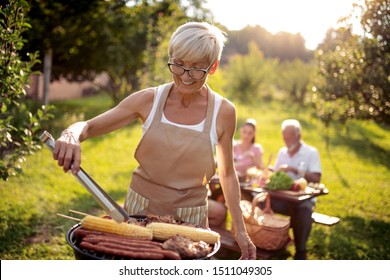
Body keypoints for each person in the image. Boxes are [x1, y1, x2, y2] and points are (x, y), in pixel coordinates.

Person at [52, 22, 256, 260]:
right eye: (178, 64)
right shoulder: (148, 100)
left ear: (213, 68)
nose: (185, 76)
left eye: (196, 68)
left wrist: (240, 230)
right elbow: (88, 127)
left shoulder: (224, 112)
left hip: (190, 220)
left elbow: (228, 174)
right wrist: (70, 134)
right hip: (138, 213)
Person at [273, 119, 322, 260]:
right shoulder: (282, 152)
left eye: (290, 137)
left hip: (303, 199)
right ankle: (271, 243)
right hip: (283, 197)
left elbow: (316, 178)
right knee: (262, 204)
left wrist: (294, 169)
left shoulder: (311, 152)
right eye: (284, 137)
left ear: (299, 135)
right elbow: (275, 174)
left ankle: (301, 251)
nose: (286, 140)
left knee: (303, 212)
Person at [208, 119, 263, 227]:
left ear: (254, 134)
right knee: (220, 193)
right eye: (245, 132)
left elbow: (260, 167)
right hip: (230, 179)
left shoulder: (256, 149)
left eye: (250, 133)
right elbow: (222, 161)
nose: (246, 135)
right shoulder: (234, 145)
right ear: (241, 131)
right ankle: (220, 223)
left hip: (246, 183)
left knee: (239, 199)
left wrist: (252, 157)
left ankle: (240, 225)